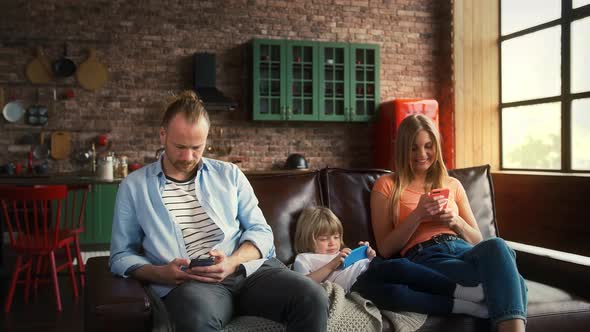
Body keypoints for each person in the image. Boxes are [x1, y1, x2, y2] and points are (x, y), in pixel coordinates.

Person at [109, 91, 328, 332]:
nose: (188, 156)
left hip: (249, 272)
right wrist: (160, 273)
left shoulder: (230, 174)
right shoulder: (134, 186)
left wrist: (232, 262)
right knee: (194, 318)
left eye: (196, 147)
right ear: (163, 135)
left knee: (313, 297)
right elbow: (121, 255)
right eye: (179, 146)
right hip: (194, 286)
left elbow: (261, 231)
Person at [370, 114, 527, 331]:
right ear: (402, 149)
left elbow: (477, 239)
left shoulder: (452, 184)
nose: (422, 154)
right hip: (427, 256)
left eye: (428, 146)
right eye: (413, 148)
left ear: (436, 146)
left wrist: (456, 222)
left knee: (498, 245)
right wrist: (417, 215)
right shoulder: (386, 186)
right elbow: (386, 249)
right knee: (515, 284)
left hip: (463, 250)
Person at [293, 206, 489, 317]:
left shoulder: (342, 250)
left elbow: (368, 261)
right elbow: (304, 284)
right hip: (359, 286)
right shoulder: (304, 258)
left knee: (402, 267)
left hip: (373, 267)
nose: (332, 243)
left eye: (336, 237)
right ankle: (464, 306)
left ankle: (463, 291)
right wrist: (332, 264)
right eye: (324, 238)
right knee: (397, 295)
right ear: (307, 238)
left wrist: (368, 254)